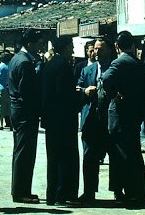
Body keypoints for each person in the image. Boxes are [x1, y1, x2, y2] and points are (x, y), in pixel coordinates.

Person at [102, 30, 145, 207]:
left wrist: (114, 94)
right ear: (132, 45)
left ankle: (126, 191)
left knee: (121, 154)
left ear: (116, 46)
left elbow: (105, 79)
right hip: (135, 115)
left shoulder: (119, 63)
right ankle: (138, 191)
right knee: (135, 153)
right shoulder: (140, 65)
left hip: (120, 115)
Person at [40, 36, 80, 207]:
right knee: (65, 158)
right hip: (63, 119)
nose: (72, 50)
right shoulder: (63, 66)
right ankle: (62, 194)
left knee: (53, 158)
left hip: (51, 120)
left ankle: (52, 194)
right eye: (71, 46)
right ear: (64, 48)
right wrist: (82, 96)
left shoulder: (48, 66)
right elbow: (65, 96)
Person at [7, 28, 46, 204]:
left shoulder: (17, 59)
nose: (40, 46)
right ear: (29, 44)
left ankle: (22, 189)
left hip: (19, 111)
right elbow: (27, 92)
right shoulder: (24, 63)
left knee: (21, 151)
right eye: (38, 43)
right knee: (25, 153)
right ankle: (21, 191)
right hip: (25, 112)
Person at [76, 37, 116, 205]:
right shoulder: (88, 70)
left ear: (108, 50)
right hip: (91, 120)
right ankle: (89, 192)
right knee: (89, 157)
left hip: (109, 120)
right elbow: (77, 87)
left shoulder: (115, 68)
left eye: (100, 49)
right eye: (95, 49)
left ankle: (117, 191)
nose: (96, 52)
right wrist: (85, 91)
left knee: (114, 157)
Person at [0, 52, 13, 131]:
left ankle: (1, 124)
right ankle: (12, 125)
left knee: (0, 106)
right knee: (10, 107)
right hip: (10, 88)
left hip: (0, 88)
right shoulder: (11, 66)